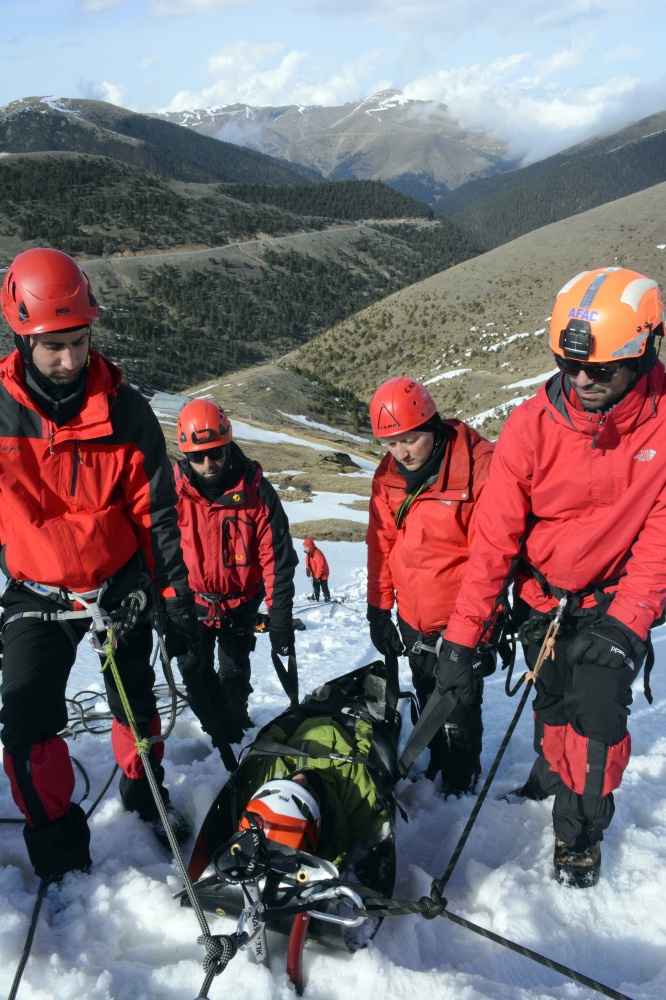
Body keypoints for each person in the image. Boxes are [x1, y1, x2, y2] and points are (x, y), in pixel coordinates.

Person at [438, 266, 666, 887]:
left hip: (613, 601)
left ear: (644, 353)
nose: (583, 380)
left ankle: (579, 835)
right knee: (553, 701)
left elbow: (661, 538)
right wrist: (462, 637)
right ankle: (545, 774)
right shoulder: (531, 426)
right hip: (541, 596)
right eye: (571, 367)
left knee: (595, 725)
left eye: (601, 369)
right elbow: (494, 540)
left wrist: (628, 623)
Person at [0, 248, 201, 882]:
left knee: (134, 697)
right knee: (27, 722)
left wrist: (170, 597)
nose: (68, 359)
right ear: (21, 338)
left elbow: (155, 514)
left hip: (118, 584)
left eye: (78, 341)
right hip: (37, 587)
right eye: (52, 346)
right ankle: (58, 846)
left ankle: (145, 791)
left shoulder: (126, 410)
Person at [365, 376, 494, 796]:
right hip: (413, 619)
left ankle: (460, 781)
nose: (401, 453)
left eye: (410, 439)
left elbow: (490, 558)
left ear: (433, 425)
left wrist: (469, 632)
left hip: (462, 620)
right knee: (426, 693)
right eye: (391, 443)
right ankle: (440, 762)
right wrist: (379, 608)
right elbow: (381, 544)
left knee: (457, 707)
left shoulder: (478, 469)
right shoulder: (388, 478)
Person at [174, 398, 298, 743]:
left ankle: (235, 725)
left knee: (234, 668)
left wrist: (280, 621)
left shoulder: (257, 492)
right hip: (193, 603)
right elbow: (159, 552)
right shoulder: (173, 493)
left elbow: (278, 562)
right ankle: (215, 727)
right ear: (186, 456)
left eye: (216, 452)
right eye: (197, 457)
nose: (208, 463)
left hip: (240, 603)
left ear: (228, 445)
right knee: (195, 673)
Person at [303, 537, 331, 602]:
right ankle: (316, 597)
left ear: (310, 547)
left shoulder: (317, 554)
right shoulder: (309, 553)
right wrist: (307, 569)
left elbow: (321, 567)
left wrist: (317, 577)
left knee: (324, 586)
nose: (305, 549)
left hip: (323, 573)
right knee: (315, 585)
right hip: (315, 572)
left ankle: (327, 598)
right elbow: (308, 561)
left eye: (306, 547)